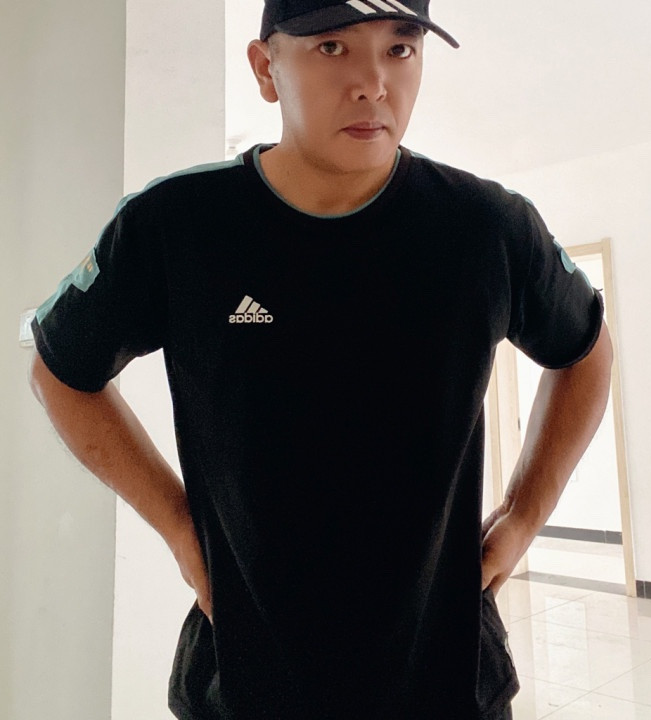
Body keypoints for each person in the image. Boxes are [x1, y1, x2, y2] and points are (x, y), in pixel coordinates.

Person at [28, 1, 613, 718]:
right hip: (244, 678)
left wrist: (524, 513)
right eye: (333, 47)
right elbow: (61, 371)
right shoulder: (178, 226)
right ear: (264, 68)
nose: (373, 83)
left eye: (400, 49)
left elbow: (584, 350)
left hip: (447, 676)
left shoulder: (486, 228)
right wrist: (179, 526)